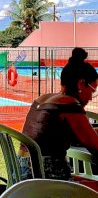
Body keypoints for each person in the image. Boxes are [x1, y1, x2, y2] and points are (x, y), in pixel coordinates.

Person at [19, 47, 98, 181]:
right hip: (47, 181)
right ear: (81, 83)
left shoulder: (42, 99)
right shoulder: (69, 105)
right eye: (92, 91)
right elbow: (95, 147)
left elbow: (57, 134)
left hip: (26, 176)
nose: (91, 97)